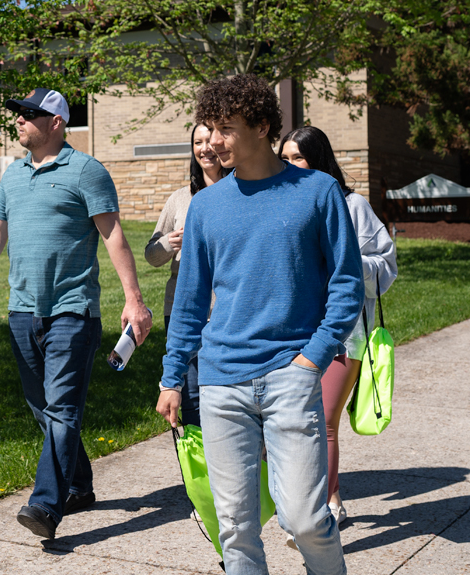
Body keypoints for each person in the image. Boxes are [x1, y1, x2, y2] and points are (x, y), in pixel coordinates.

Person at [155, 74, 362, 575]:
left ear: (262, 125)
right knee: (236, 525)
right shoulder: (206, 206)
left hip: (290, 374)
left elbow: (347, 284)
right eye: (210, 128)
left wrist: (313, 355)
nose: (214, 142)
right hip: (221, 379)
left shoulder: (317, 191)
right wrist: (171, 376)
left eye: (225, 129)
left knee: (305, 519)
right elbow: (189, 302)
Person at [0, 88, 153, 540]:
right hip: (22, 311)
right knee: (44, 409)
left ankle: (46, 504)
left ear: (56, 122)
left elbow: (114, 236)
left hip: (72, 311)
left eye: (29, 114)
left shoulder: (86, 171)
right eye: (18, 114)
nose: (19, 121)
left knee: (61, 408)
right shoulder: (14, 175)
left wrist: (134, 300)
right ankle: (79, 485)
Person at [280, 126, 397, 528]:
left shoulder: (352, 205)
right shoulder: (281, 203)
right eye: (285, 158)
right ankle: (315, 499)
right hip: (289, 334)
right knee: (290, 423)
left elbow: (386, 267)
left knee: (322, 421)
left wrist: (346, 263)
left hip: (343, 337)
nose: (290, 165)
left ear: (319, 158)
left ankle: (325, 507)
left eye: (298, 157)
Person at [144, 123, 233, 427]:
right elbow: (151, 255)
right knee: (192, 393)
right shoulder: (180, 198)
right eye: (197, 142)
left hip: (226, 310)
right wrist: (170, 242)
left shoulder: (240, 191)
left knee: (228, 392)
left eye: (210, 140)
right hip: (182, 310)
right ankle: (202, 471)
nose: (205, 148)